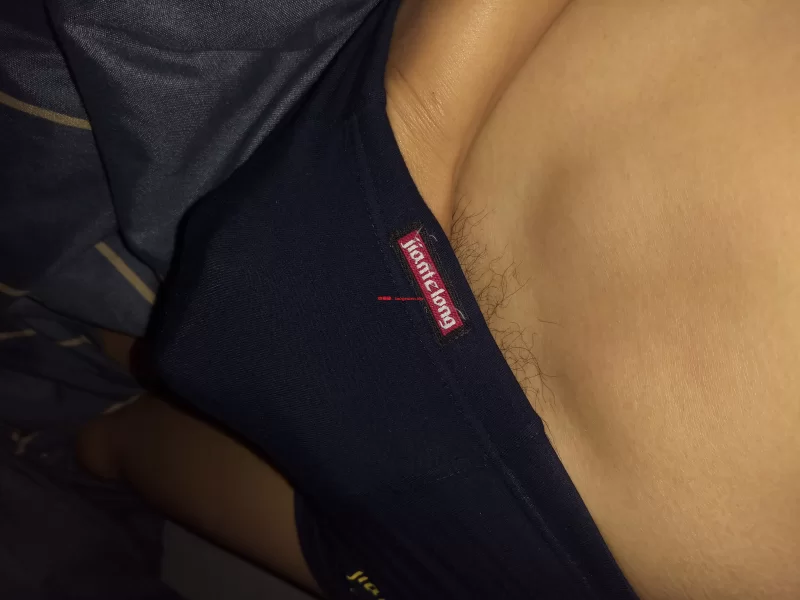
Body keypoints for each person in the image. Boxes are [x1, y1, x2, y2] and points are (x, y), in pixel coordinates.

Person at [78, 0, 800, 598]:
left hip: (529, 556)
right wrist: (416, 119)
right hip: (415, 173)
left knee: (116, 439)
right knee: (129, 394)